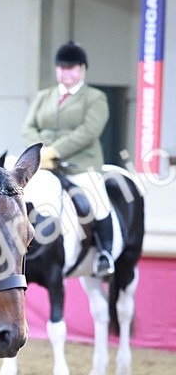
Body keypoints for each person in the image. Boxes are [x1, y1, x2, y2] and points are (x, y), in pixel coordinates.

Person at [22, 40, 115, 277]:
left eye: (72, 68)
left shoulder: (95, 98)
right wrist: (41, 151)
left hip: (80, 165)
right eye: (62, 67)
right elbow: (28, 127)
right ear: (57, 69)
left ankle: (106, 254)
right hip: (43, 166)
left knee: (98, 201)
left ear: (82, 69)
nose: (67, 72)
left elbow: (88, 132)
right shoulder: (44, 96)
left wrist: (55, 151)